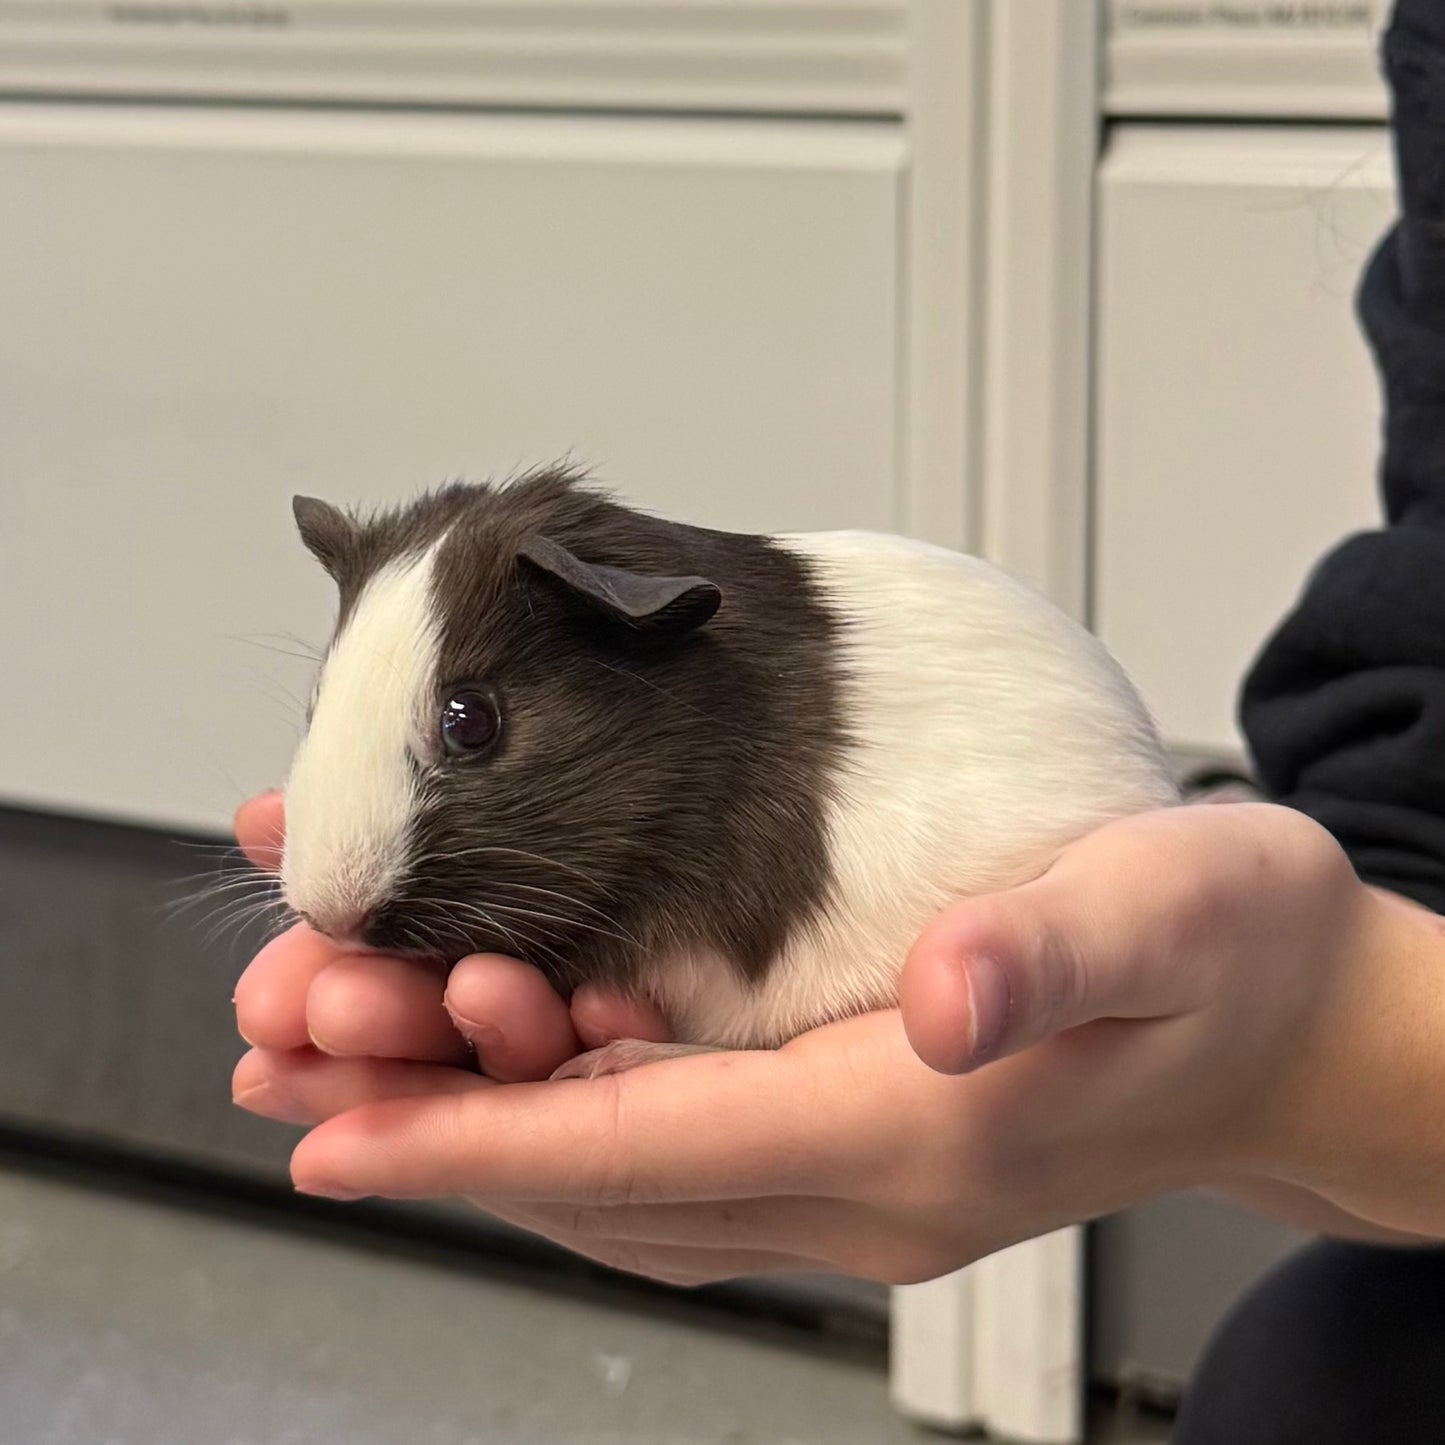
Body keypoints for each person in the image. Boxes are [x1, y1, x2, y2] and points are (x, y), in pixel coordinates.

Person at [231, 2, 1445, 1434]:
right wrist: (1266, 1065)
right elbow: (1406, 824)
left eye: (471, 728)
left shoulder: (750, 785)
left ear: (628, 629)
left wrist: (1307, 1039)